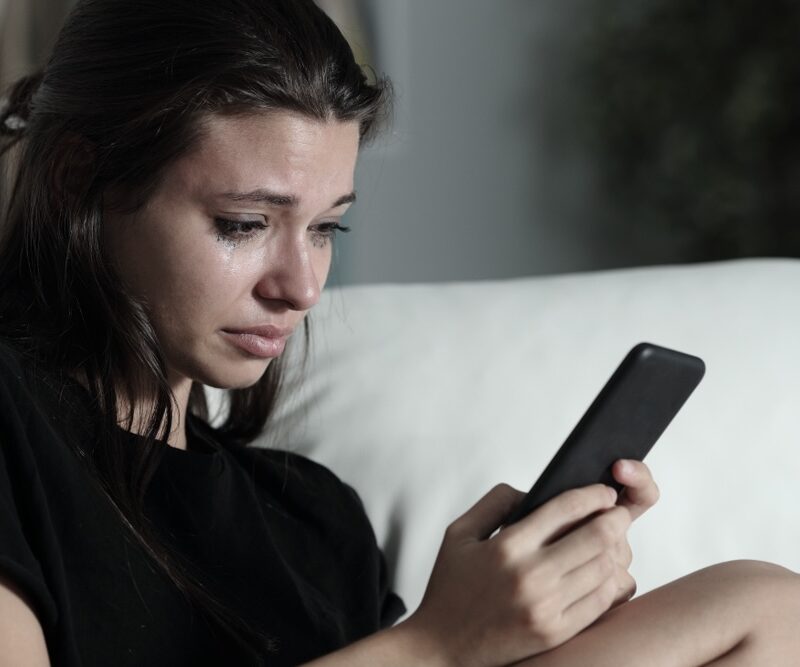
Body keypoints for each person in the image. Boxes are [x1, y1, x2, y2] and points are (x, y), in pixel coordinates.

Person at [0, 1, 797, 665]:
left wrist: (537, 613)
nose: (301, 287)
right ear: (82, 176)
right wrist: (435, 644)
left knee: (764, 605)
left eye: (325, 231)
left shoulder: (314, 520)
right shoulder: (17, 438)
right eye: (243, 223)